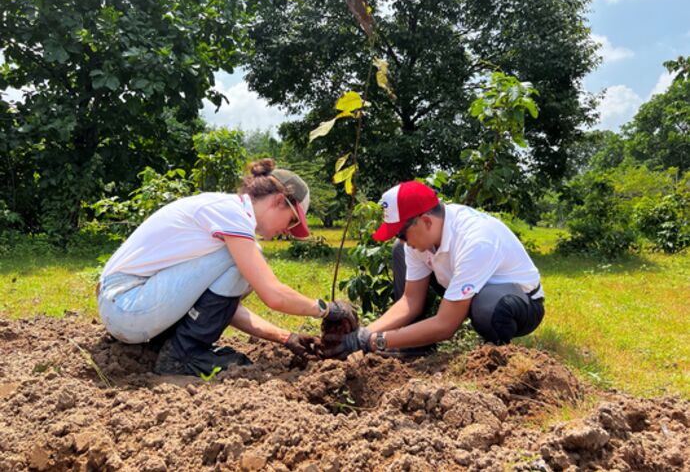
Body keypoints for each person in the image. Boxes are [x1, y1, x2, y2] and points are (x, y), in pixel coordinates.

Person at [98, 158, 352, 376]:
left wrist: (285, 337)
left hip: (126, 308)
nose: (287, 231)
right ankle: (183, 356)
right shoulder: (233, 215)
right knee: (248, 258)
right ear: (278, 201)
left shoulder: (227, 212)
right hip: (128, 305)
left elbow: (217, 308)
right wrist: (327, 309)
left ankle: (176, 347)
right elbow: (273, 295)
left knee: (243, 261)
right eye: (292, 221)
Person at [325, 181, 545, 358]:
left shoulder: (476, 241)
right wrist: (363, 335)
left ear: (426, 222)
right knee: (400, 252)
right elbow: (410, 301)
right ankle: (414, 345)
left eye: (401, 233)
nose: (401, 240)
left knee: (488, 308)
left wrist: (375, 341)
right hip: (466, 289)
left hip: (517, 302)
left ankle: (495, 354)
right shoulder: (422, 236)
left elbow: (446, 325)